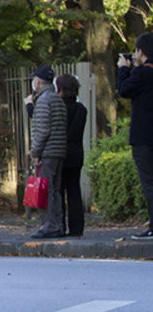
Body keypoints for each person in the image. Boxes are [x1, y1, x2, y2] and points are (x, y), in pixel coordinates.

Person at [116, 33, 153, 240]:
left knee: (149, 182)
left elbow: (123, 90)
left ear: (141, 51)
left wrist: (123, 68)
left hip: (143, 136)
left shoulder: (142, 74)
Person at [27, 64, 67, 239]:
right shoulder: (57, 98)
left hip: (47, 152)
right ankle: (58, 224)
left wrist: (35, 152)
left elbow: (42, 130)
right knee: (55, 190)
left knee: (45, 190)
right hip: (59, 150)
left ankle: (49, 225)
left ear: (37, 82)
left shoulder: (43, 100)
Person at [56, 73, 88, 237]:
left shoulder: (58, 108)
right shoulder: (81, 109)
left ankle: (59, 225)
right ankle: (77, 227)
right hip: (76, 153)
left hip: (59, 152)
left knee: (59, 191)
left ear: (60, 89)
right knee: (74, 190)